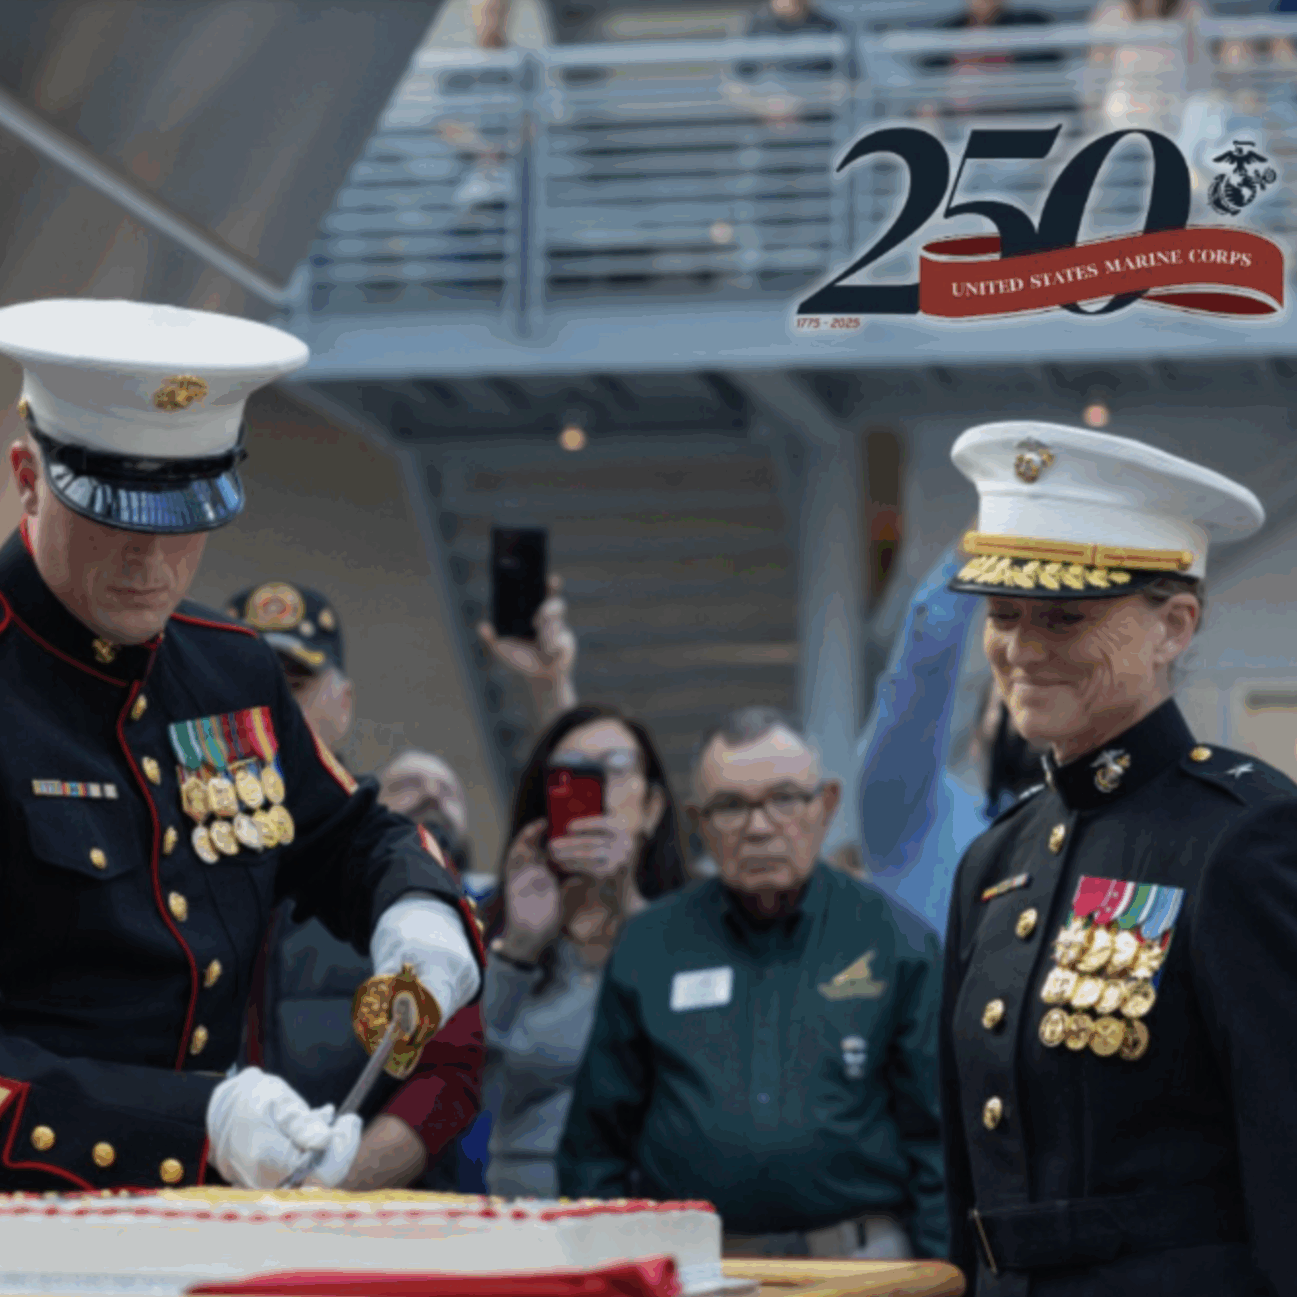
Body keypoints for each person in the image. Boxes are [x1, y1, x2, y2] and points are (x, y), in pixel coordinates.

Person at [0, 298, 483, 1193]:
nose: (153, 560)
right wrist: (197, 1121)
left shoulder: (229, 670)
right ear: (28, 475)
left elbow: (351, 834)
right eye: (114, 516)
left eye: (184, 516)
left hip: (212, 1227)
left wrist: (414, 910)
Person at [938, 420, 1292, 1295]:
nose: (1022, 648)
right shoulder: (994, 859)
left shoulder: (1243, 837)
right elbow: (969, 1171)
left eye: (1064, 616)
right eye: (1004, 613)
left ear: (1173, 625)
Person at [558, 707, 946, 1261]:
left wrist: (947, 1275)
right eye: (731, 807)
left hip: (862, 1264)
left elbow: (939, 1143)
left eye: (785, 798)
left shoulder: (896, 941)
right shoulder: (650, 946)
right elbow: (593, 1146)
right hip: (696, 1265)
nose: (759, 827)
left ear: (826, 806)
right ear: (700, 821)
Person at [228, 584, 483, 1190]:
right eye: (251, 687)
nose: (271, 710)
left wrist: (333, 1189)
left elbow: (448, 1077)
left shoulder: (397, 861)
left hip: (373, 1213)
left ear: (342, 703)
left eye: (293, 687)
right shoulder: (182, 844)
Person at [481, 703, 690, 1197]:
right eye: (571, 772)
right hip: (528, 1210)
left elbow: (698, 1063)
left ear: (653, 807)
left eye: (615, 767)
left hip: (653, 1203)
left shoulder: (692, 928)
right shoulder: (501, 922)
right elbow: (464, 1081)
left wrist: (631, 914)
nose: (594, 785)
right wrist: (521, 947)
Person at [858, 541, 1043, 932]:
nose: (1032, 703)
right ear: (975, 739)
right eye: (1008, 697)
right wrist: (969, 553)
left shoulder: (1103, 837)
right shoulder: (911, 821)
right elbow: (916, 686)